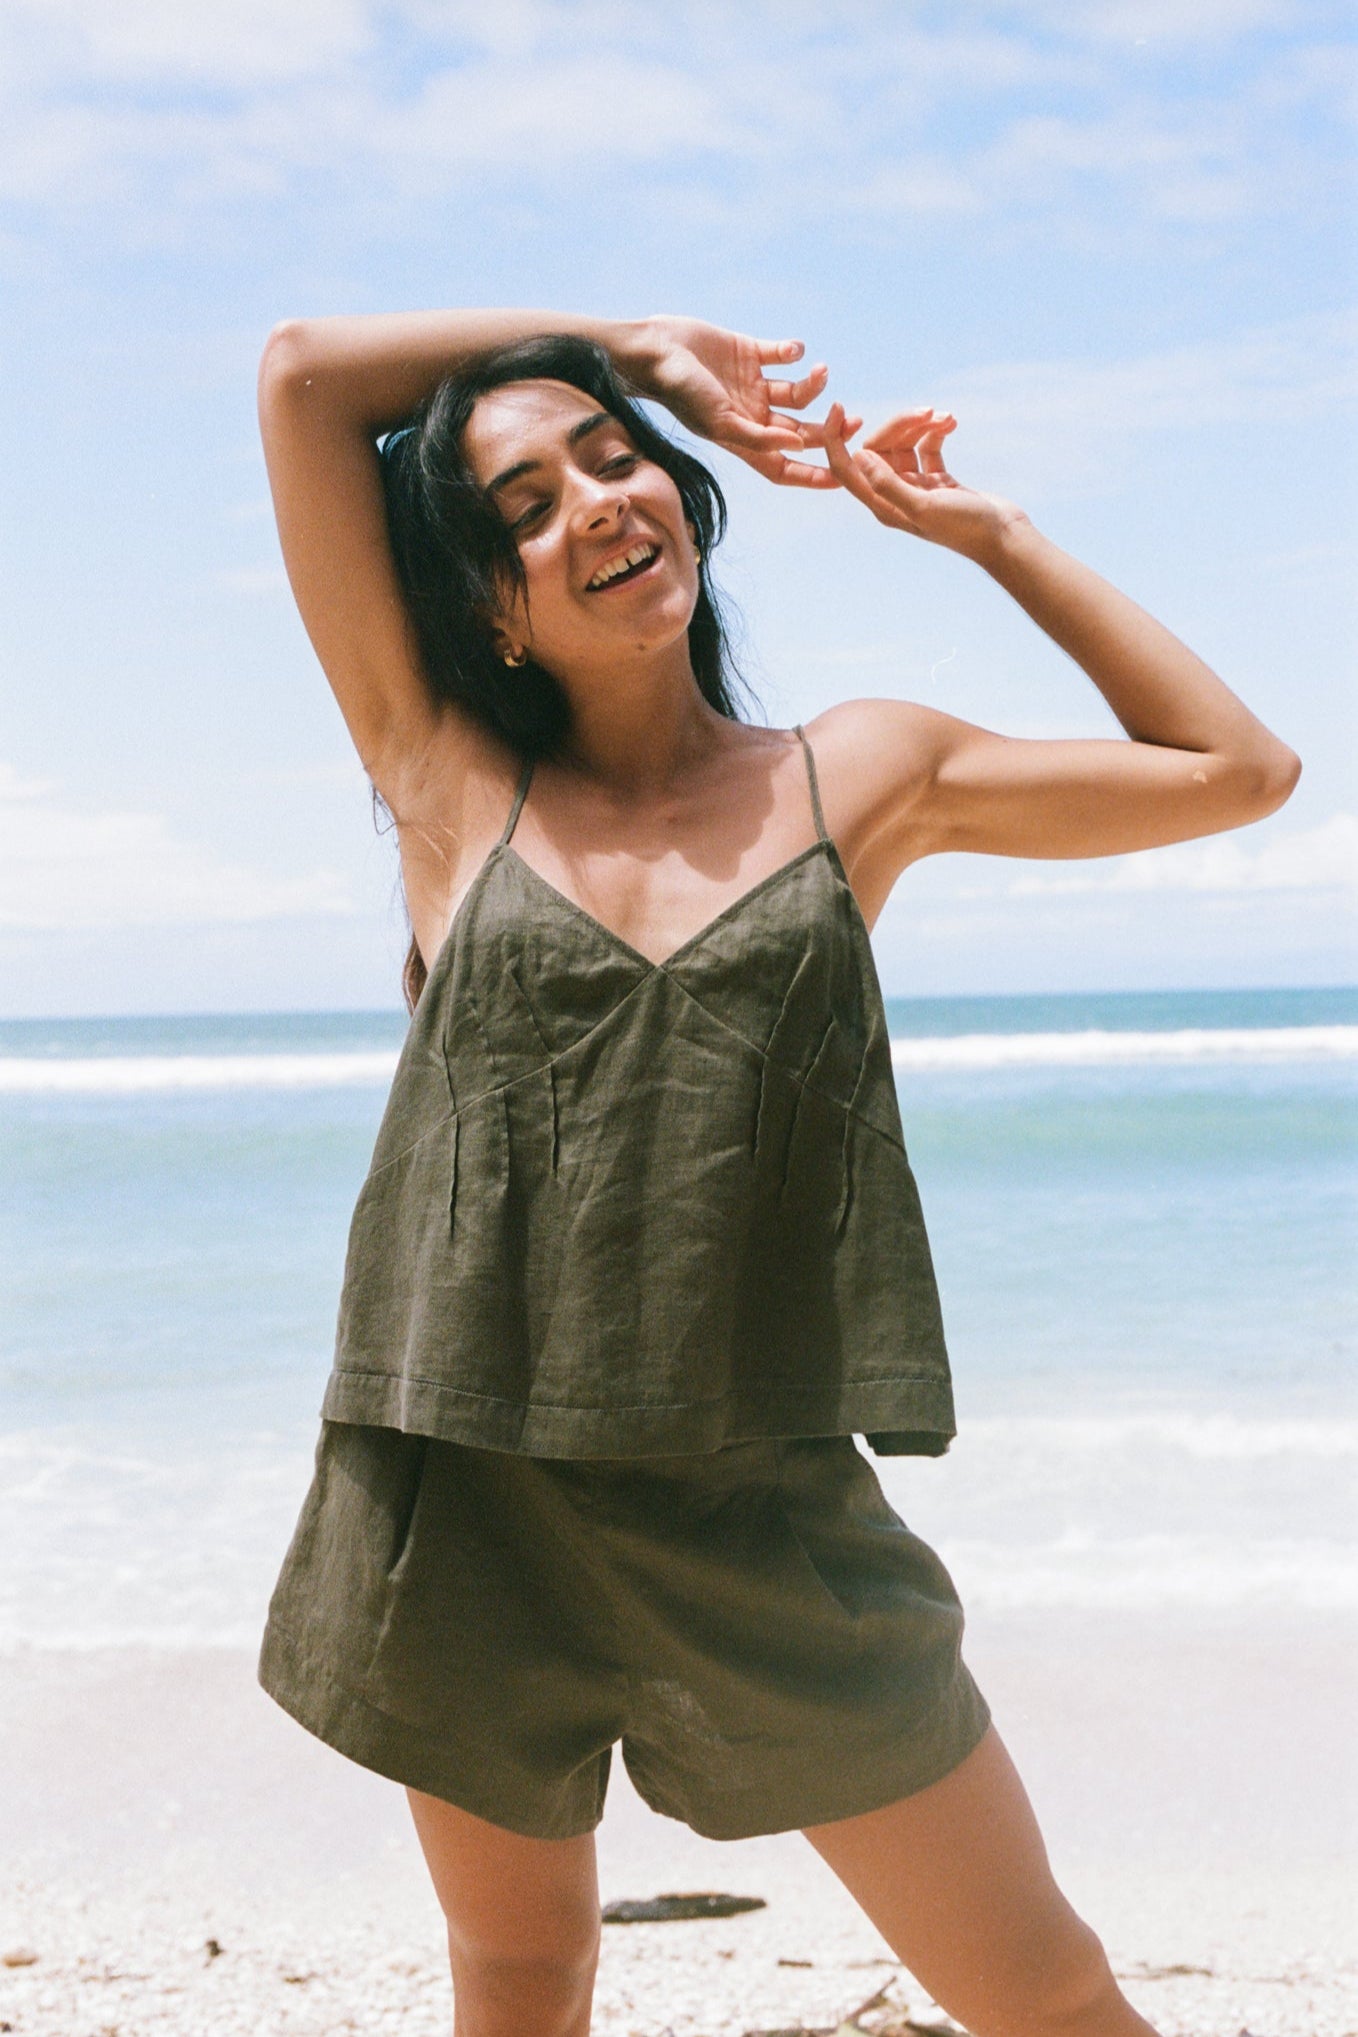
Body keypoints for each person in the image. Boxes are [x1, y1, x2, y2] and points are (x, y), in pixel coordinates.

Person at [254, 308, 1299, 2037]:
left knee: (1039, 1983)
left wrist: (994, 539)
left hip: (762, 1504)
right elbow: (300, 375)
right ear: (487, 610)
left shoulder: (855, 773)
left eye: (611, 454)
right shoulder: (446, 779)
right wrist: (626, 343)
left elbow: (1234, 772)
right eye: (521, 505)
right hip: (466, 1497)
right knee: (522, 1971)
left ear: (681, 500)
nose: (593, 499)